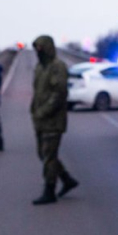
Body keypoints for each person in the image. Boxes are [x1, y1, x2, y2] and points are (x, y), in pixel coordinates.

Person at [30, 35, 78, 205]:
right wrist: (34, 110)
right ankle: (67, 179)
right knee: (43, 154)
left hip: (53, 120)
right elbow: (38, 92)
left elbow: (59, 94)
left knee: (49, 156)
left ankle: (49, 189)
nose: (38, 51)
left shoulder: (58, 67)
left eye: (41, 48)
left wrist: (43, 111)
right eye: (36, 48)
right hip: (40, 119)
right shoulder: (39, 67)